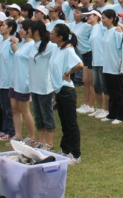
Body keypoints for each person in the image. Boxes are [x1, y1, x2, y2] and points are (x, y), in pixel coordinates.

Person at [48, 23, 83, 164]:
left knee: (71, 124)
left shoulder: (68, 50)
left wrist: (68, 72)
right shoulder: (57, 48)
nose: (50, 34)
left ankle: (76, 154)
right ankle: (65, 149)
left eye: (53, 33)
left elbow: (80, 64)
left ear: (60, 37)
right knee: (64, 123)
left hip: (66, 90)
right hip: (59, 90)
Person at [28, 20, 58, 150]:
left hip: (45, 86)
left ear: (35, 31)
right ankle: (41, 140)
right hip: (34, 85)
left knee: (47, 113)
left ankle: (49, 142)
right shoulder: (34, 45)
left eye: (29, 29)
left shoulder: (51, 46)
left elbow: (63, 49)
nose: (27, 31)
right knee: (38, 113)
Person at [8, 20, 36, 144]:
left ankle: (31, 137)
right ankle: (18, 135)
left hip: (24, 81)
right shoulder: (23, 43)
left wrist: (15, 47)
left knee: (25, 110)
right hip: (15, 80)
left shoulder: (32, 45)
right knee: (14, 108)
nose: (19, 31)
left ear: (29, 31)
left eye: (22, 28)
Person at [101, 9, 123, 124]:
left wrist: (121, 64)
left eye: (104, 18)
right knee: (111, 91)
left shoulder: (117, 32)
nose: (102, 20)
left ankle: (121, 116)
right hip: (107, 66)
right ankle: (112, 113)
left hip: (116, 66)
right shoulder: (106, 32)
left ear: (111, 19)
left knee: (118, 92)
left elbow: (121, 49)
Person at [0, 18, 16, 141]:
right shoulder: (1, 42)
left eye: (3, 25)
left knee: (9, 108)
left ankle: (11, 132)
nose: (1, 27)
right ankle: (5, 129)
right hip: (1, 78)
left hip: (9, 79)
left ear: (10, 28)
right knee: (3, 106)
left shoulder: (11, 43)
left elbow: (18, 56)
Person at [72, 7, 95, 115]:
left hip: (90, 53)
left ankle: (90, 105)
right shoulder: (72, 25)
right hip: (83, 54)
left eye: (77, 12)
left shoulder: (87, 26)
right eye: (74, 12)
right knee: (85, 81)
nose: (74, 14)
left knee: (91, 82)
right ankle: (86, 104)